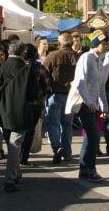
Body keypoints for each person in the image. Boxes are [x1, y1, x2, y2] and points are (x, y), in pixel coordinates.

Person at [0, 40, 37, 192]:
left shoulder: (0, 67)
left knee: (11, 143)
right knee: (15, 145)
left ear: (9, 51)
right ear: (23, 53)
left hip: (2, 111)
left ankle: (16, 174)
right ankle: (9, 179)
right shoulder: (27, 70)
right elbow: (32, 94)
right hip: (20, 111)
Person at [74, 30, 109, 182]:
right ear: (96, 44)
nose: (106, 46)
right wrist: (89, 102)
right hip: (86, 105)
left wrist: (104, 106)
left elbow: (100, 85)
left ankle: (85, 170)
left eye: (107, 43)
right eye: (104, 43)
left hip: (93, 105)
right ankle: (90, 169)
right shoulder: (87, 57)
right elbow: (80, 82)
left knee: (90, 137)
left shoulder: (98, 59)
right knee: (93, 136)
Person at [43, 31, 79, 163]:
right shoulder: (77, 56)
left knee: (53, 124)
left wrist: (46, 88)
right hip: (71, 95)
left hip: (55, 94)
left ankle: (57, 148)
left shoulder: (53, 55)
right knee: (67, 125)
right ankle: (67, 152)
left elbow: (43, 73)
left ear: (59, 43)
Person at [19, 43, 52, 165]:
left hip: (19, 104)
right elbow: (47, 86)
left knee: (18, 131)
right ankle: (24, 158)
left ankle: (15, 156)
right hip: (35, 104)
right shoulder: (40, 68)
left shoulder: (17, 67)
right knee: (30, 131)